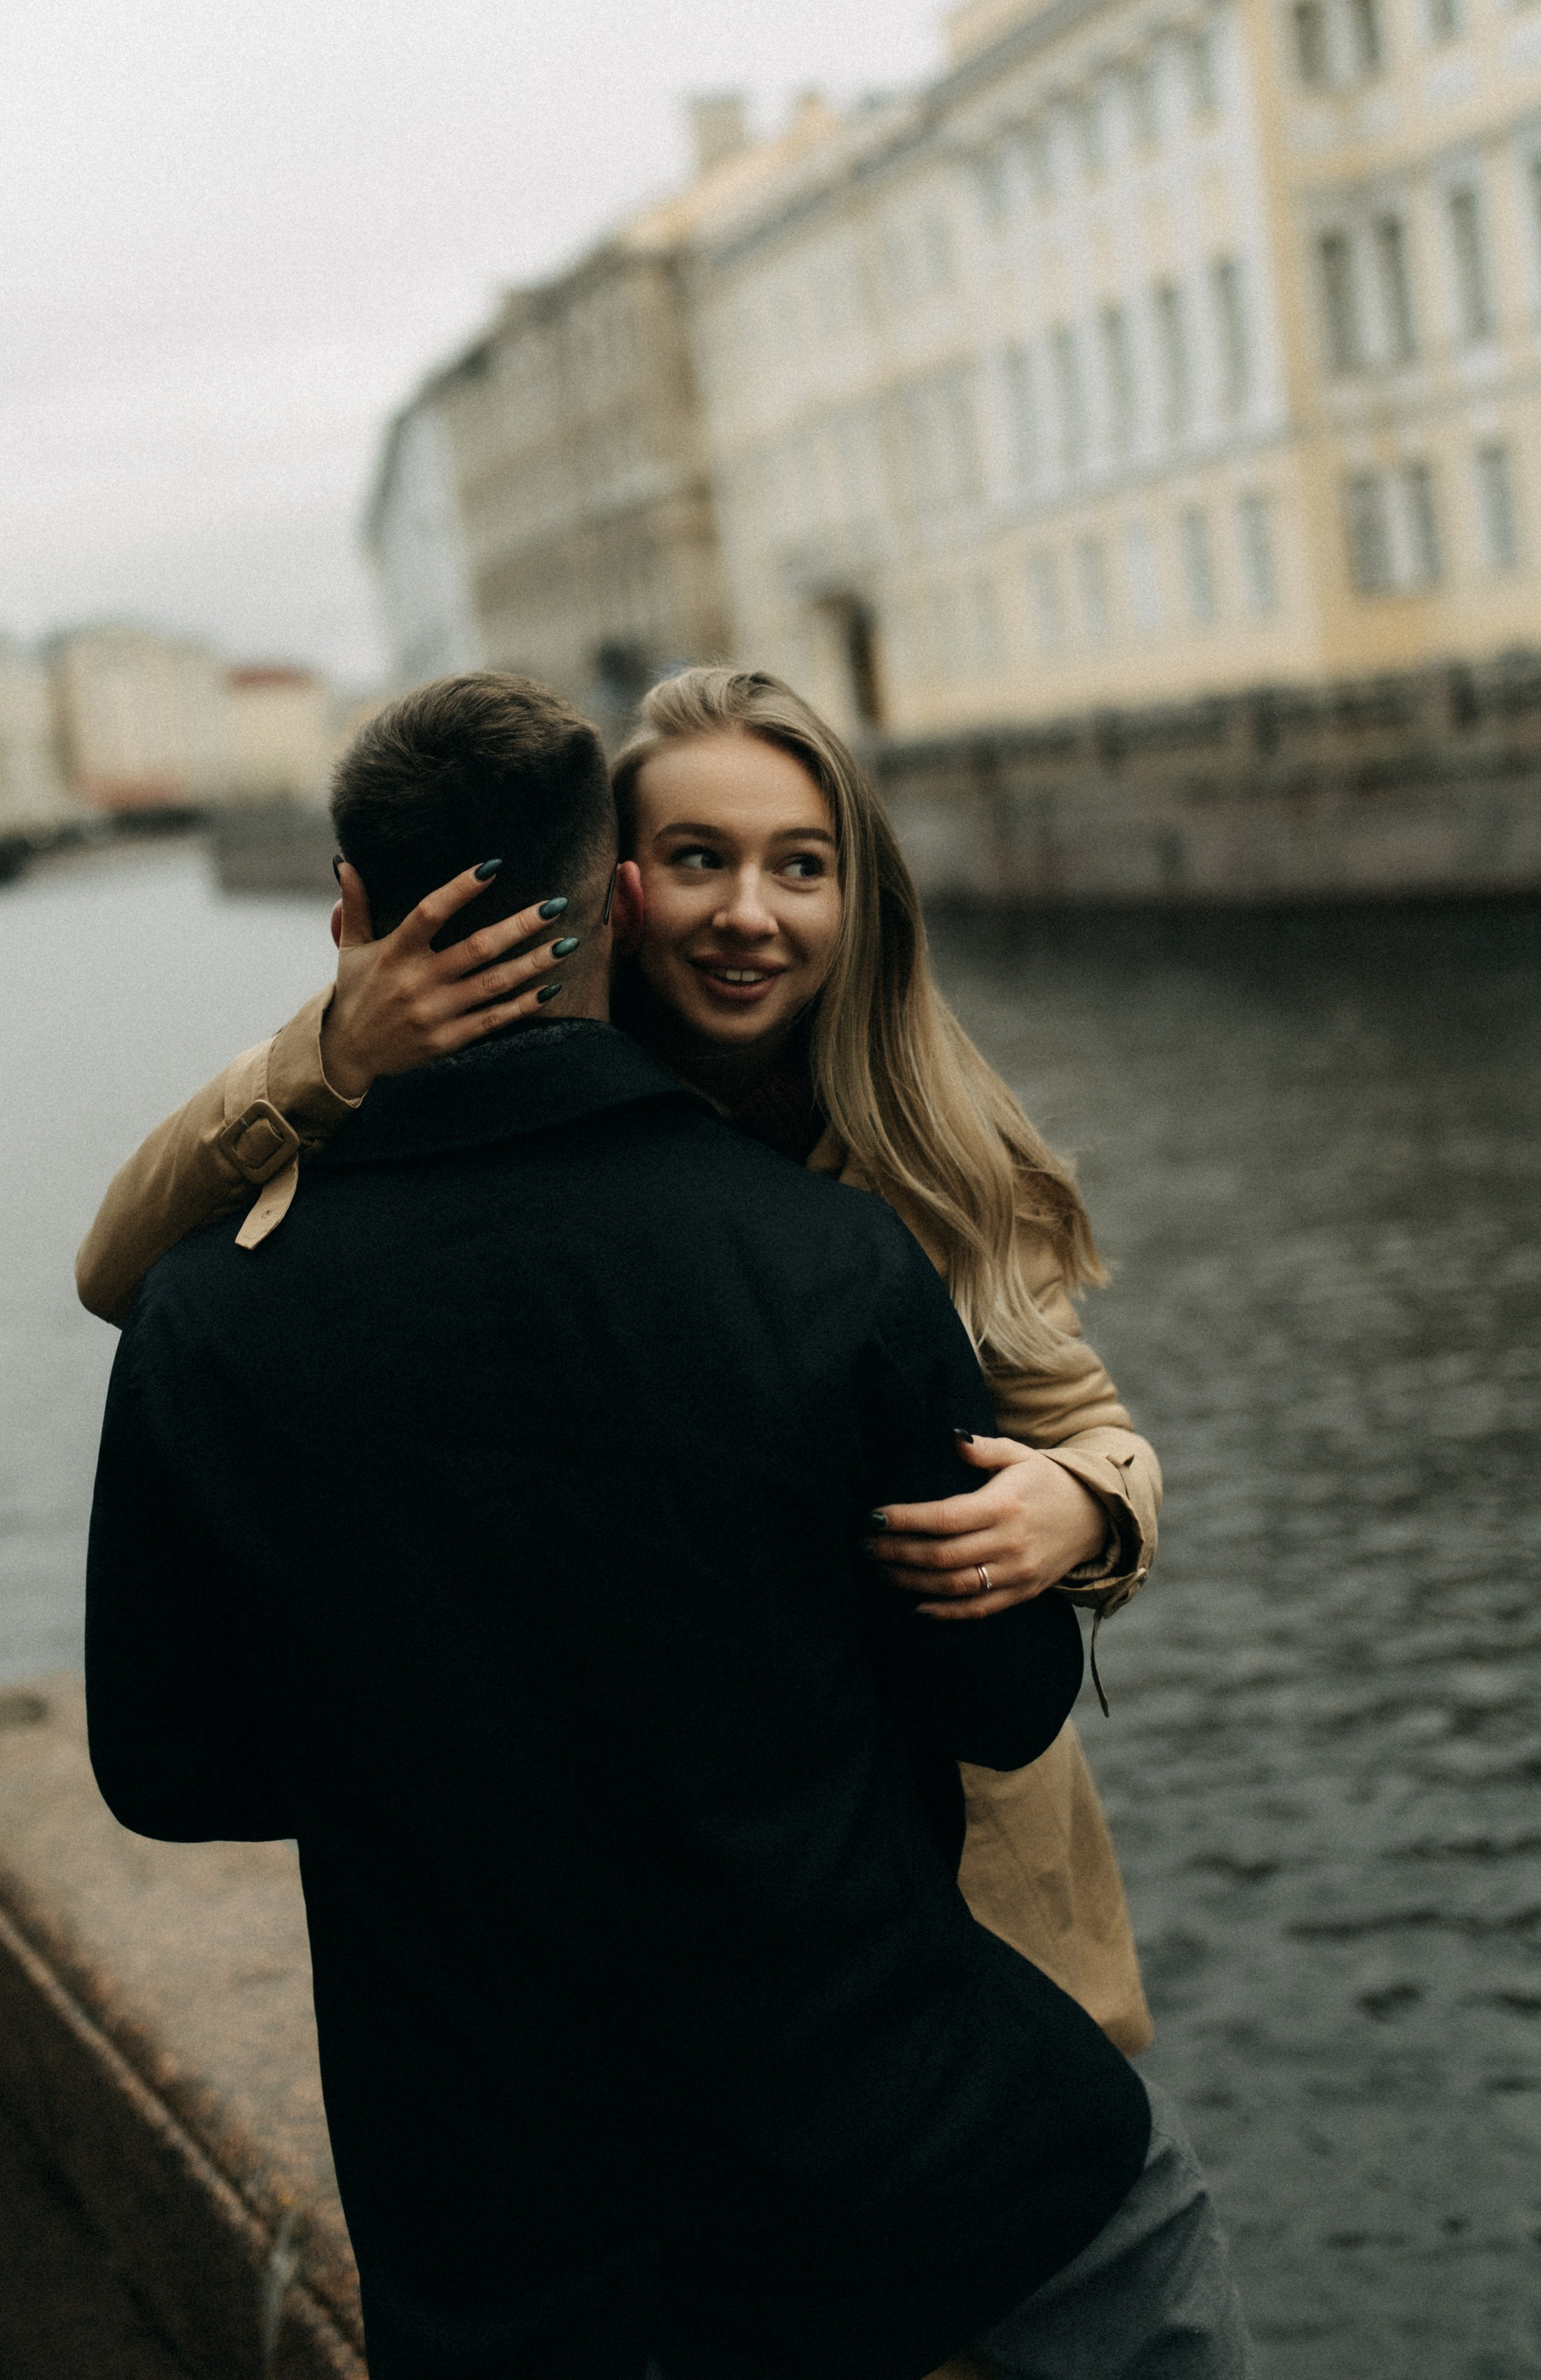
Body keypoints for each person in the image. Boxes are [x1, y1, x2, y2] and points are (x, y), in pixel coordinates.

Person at [84, 673, 1248, 2379]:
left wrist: (1089, 1503)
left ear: (859, 894)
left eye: (800, 865)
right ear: (614, 889)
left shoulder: (918, 1148)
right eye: (696, 856)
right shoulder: (770, 1245)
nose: (747, 912)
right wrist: (329, 1047)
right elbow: (122, 1262)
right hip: (835, 2032)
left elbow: (1078, 1430)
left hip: (946, 1949)